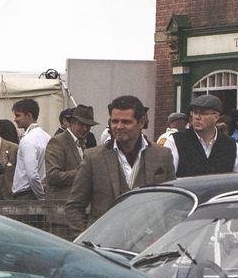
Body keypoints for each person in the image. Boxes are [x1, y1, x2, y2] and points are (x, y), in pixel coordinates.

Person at [62, 95, 176, 232]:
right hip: (103, 247)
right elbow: (74, 206)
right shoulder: (93, 158)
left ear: (141, 123)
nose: (119, 127)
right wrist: (88, 240)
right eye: (115, 121)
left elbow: (173, 204)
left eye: (126, 122)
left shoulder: (162, 155)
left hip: (150, 246)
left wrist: (166, 239)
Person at [166, 93, 238, 176]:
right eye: (194, 113)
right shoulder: (175, 141)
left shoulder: (231, 145)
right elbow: (167, 180)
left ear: (216, 117)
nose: (197, 117)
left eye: (203, 113)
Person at [42, 107, 90, 212]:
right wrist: (84, 173)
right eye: (81, 124)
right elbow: (52, 176)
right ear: (71, 123)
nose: (85, 128)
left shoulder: (82, 143)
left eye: (88, 126)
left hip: (76, 210)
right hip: (60, 211)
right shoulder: (58, 141)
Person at [9, 98, 50, 198]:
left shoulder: (28, 140)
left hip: (27, 194)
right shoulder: (47, 137)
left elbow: (32, 174)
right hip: (37, 191)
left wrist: (41, 197)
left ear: (29, 116)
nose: (15, 119)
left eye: (18, 115)